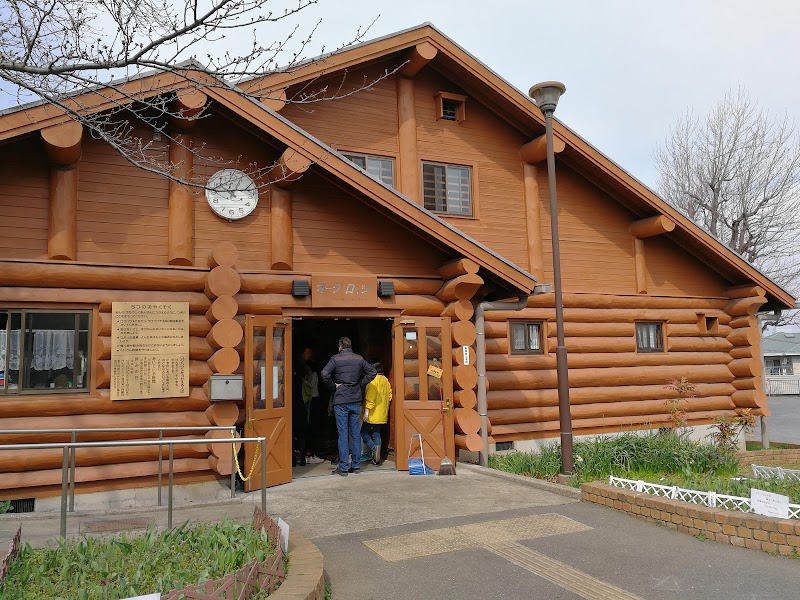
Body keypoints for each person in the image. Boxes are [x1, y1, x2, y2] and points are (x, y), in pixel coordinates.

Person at [321, 337, 377, 476]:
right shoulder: (359, 359)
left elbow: (324, 374)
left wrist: (333, 386)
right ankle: (356, 465)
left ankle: (344, 467)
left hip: (341, 400)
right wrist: (360, 384)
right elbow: (372, 372)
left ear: (340, 346)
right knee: (355, 433)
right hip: (355, 399)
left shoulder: (335, 359)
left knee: (343, 434)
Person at [361, 361, 392, 465]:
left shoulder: (372, 381)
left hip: (372, 413)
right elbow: (390, 396)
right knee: (376, 433)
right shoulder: (386, 380)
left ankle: (373, 448)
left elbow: (370, 398)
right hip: (382, 414)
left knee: (363, 432)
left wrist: (366, 412)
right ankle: (376, 459)